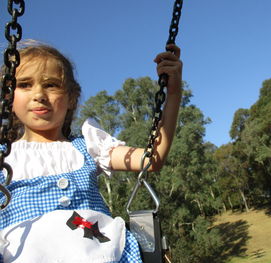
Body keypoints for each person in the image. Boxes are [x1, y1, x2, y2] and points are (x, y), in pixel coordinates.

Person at [0, 42, 182, 263]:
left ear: (72, 98)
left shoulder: (88, 146)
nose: (39, 94)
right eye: (25, 84)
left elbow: (151, 159)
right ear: (9, 96)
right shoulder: (4, 159)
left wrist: (173, 92)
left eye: (51, 85)